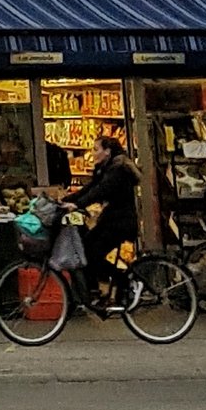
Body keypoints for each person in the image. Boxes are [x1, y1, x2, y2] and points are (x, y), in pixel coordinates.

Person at [71, 123, 141, 305]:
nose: (92, 153)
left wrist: (76, 204)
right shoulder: (107, 168)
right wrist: (69, 200)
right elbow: (91, 187)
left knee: (91, 251)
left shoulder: (117, 170)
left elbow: (100, 191)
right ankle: (113, 287)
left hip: (120, 222)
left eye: (96, 150)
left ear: (107, 151)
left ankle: (123, 280)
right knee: (90, 247)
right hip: (113, 219)